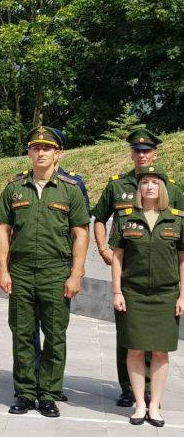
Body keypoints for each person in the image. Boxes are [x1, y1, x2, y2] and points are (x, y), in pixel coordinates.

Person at [0, 126, 90, 418]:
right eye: (35, 147)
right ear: (29, 152)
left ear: (57, 153)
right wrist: (3, 270)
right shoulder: (14, 188)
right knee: (22, 333)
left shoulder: (69, 189)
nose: (40, 152)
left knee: (55, 334)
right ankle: (25, 392)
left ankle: (48, 393)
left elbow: (81, 234)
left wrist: (76, 274)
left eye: (47, 148)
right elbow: (3, 230)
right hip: (21, 272)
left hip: (55, 272)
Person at [92, 128, 184, 407]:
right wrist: (104, 249)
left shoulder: (173, 187)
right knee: (129, 336)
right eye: (137, 150)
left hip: (161, 277)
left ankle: (149, 392)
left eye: (146, 151)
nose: (141, 155)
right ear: (131, 154)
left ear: (155, 153)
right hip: (130, 272)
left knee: (156, 343)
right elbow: (99, 218)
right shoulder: (116, 185)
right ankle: (128, 388)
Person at [109, 165, 184, 428]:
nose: (149, 186)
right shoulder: (125, 218)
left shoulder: (177, 219)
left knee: (161, 352)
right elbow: (117, 258)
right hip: (134, 293)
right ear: (138, 188)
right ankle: (140, 404)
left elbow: (183, 261)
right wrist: (117, 291)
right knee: (135, 350)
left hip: (166, 294)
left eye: (155, 182)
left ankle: (155, 406)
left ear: (163, 188)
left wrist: (182, 296)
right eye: (144, 182)